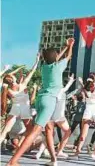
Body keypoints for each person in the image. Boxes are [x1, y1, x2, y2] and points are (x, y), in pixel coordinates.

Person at [6, 38, 74, 166]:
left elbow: (56, 58)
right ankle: (13, 161)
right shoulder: (57, 66)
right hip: (50, 101)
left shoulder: (45, 67)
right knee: (36, 130)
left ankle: (53, 160)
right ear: (55, 58)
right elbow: (68, 56)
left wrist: (65, 46)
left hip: (41, 98)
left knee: (49, 129)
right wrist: (70, 46)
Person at [0, 56, 40, 145]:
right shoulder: (23, 85)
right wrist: (37, 61)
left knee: (5, 131)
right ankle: (23, 145)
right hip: (25, 109)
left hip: (15, 109)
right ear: (11, 79)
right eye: (13, 76)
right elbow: (32, 72)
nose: (14, 76)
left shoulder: (8, 90)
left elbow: (3, 78)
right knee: (30, 130)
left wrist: (6, 71)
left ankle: (19, 145)